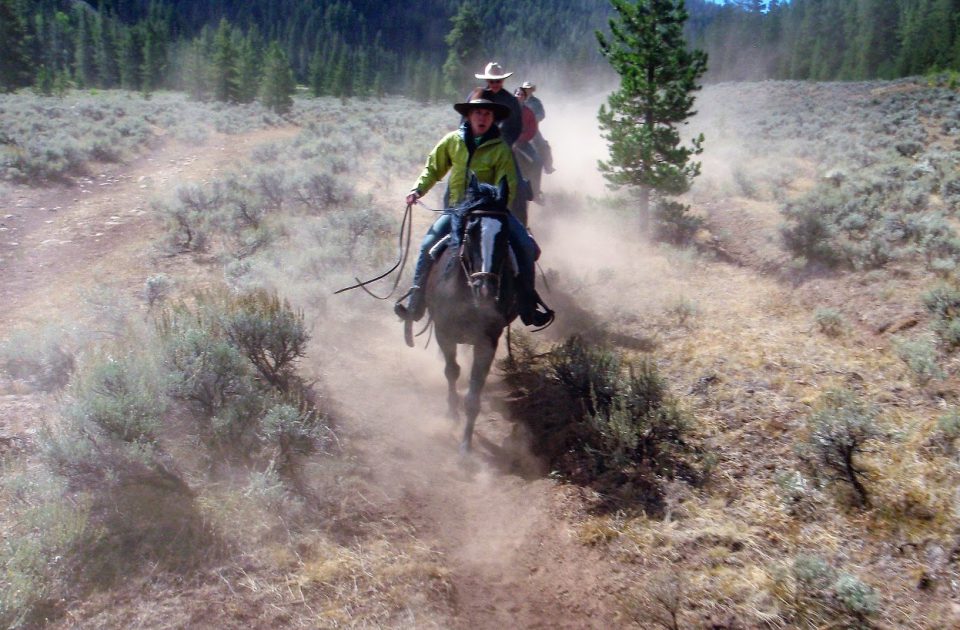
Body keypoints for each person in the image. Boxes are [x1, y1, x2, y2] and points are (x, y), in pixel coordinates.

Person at [395, 98, 553, 328]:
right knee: (427, 245)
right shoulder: (453, 141)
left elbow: (507, 181)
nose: (482, 118)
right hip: (457, 209)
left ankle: (528, 305)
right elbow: (433, 168)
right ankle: (415, 303)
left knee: (526, 247)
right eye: (478, 113)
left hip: (492, 211)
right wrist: (417, 190)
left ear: (493, 119)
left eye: (487, 114)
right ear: (469, 116)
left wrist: (497, 205)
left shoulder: (500, 148)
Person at [471, 62, 523, 147]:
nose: (495, 84)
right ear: (487, 81)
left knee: (512, 160)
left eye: (498, 81)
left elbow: (517, 126)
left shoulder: (511, 100)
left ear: (503, 80)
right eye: (492, 81)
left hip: (502, 143)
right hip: (477, 141)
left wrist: (507, 143)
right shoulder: (477, 97)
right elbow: (466, 120)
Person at [518, 81, 554, 174]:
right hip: (518, 130)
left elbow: (542, 114)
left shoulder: (536, 102)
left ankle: (548, 166)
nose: (527, 91)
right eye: (525, 89)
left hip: (533, 130)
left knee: (544, 146)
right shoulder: (518, 100)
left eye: (529, 89)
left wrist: (534, 119)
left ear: (532, 90)